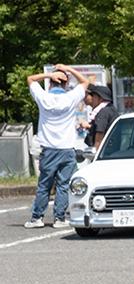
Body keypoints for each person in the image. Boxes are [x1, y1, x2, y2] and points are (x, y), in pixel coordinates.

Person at [25, 64, 90, 229]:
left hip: (48, 149)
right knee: (64, 184)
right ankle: (59, 218)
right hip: (67, 148)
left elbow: (30, 79)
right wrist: (68, 68)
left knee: (44, 185)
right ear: (66, 84)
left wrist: (48, 76)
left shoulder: (43, 97)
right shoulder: (70, 98)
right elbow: (85, 82)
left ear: (51, 83)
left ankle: (37, 218)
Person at [81, 84, 117, 151]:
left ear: (100, 98)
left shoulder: (103, 112)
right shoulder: (112, 109)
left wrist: (96, 153)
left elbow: (99, 136)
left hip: (105, 151)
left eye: (94, 97)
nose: (93, 99)